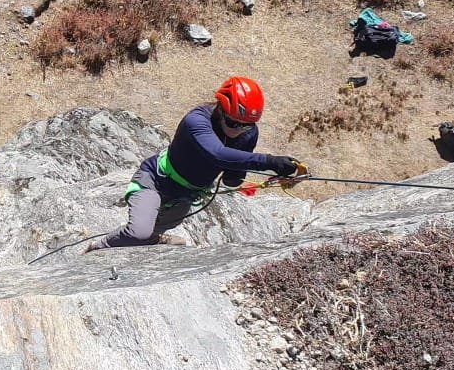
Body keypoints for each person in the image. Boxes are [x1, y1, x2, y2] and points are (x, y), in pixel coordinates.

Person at [86, 77, 304, 250]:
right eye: (233, 122)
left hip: (187, 194)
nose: (238, 129)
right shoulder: (197, 121)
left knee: (160, 226)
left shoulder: (248, 134)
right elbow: (217, 154)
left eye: (246, 126)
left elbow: (231, 177)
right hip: (156, 181)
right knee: (138, 232)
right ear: (221, 110)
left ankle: (153, 238)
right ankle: (98, 249)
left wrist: (247, 174)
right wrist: (269, 162)